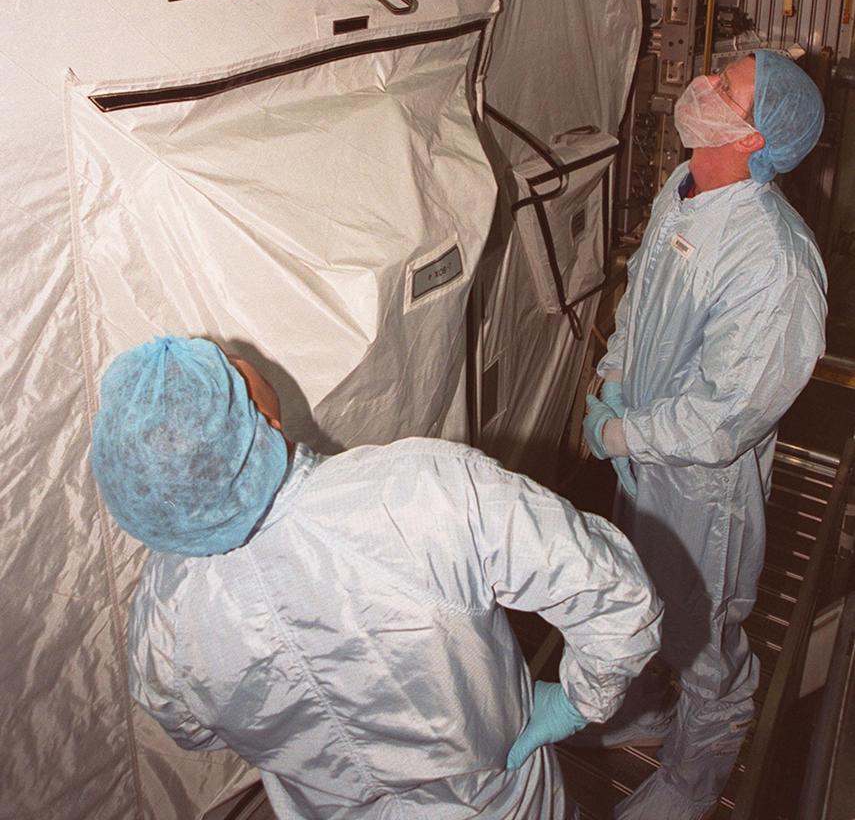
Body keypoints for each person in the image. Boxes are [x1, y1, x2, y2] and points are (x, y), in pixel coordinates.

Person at [90, 335, 663, 820]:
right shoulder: (420, 492)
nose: (236, 358)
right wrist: (576, 702)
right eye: (229, 371)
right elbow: (617, 601)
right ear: (262, 420)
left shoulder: (160, 626)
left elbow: (195, 730)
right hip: (494, 798)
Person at [581, 49, 827, 820]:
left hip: (700, 487)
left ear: (754, 139)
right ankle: (650, 712)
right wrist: (613, 381)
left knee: (705, 630)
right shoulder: (681, 187)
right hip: (643, 458)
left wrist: (623, 433)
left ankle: (697, 767)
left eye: (725, 89)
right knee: (646, 596)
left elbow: (726, 415)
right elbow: (641, 295)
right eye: (716, 73)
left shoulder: (775, 263)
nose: (702, 85)